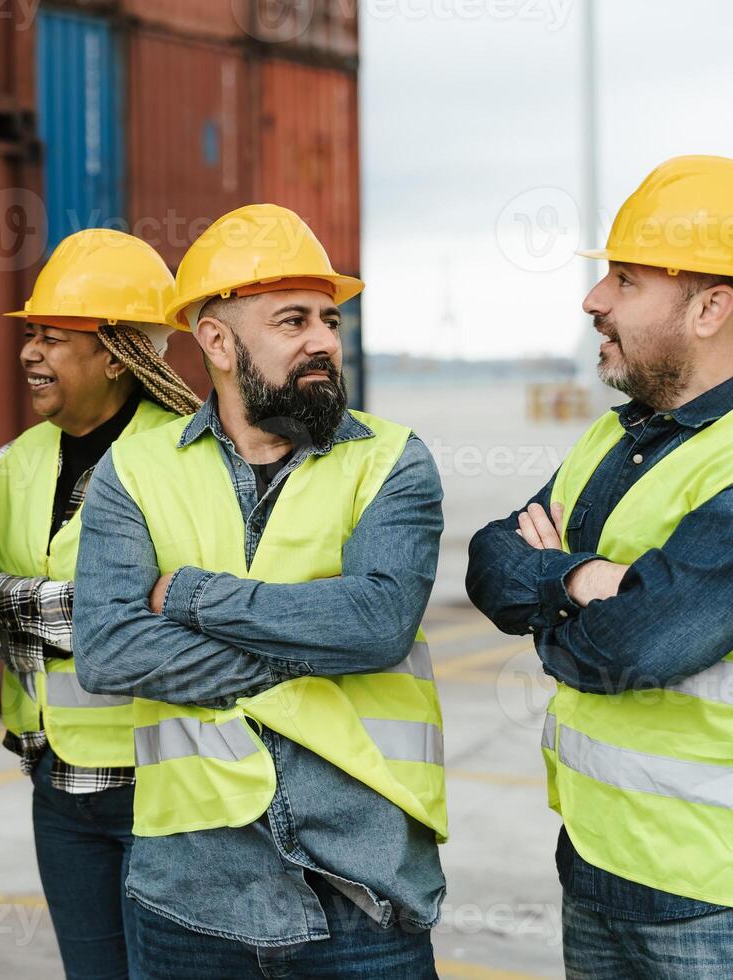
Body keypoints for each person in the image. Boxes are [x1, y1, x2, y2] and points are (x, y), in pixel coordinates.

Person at [72, 204, 448, 978]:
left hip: (362, 888)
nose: (321, 340)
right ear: (216, 340)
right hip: (188, 895)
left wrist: (191, 597)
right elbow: (107, 652)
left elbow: (376, 625)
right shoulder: (134, 471)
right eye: (291, 321)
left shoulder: (393, 461)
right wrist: (307, 657)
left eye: (329, 320)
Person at [465, 155, 733, 979]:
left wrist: (555, 607)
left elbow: (629, 650)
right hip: (596, 864)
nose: (592, 301)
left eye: (623, 281)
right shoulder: (615, 438)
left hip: (725, 899)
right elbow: (489, 560)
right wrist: (585, 582)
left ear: (710, 307)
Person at [0, 228, 201, 977]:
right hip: (55, 777)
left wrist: (19, 604)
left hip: (161, 781)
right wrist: (68, 607)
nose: (30, 353)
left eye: (53, 338)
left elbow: (173, 620)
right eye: (30, 335)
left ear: (116, 354)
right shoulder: (18, 460)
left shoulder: (186, 458)